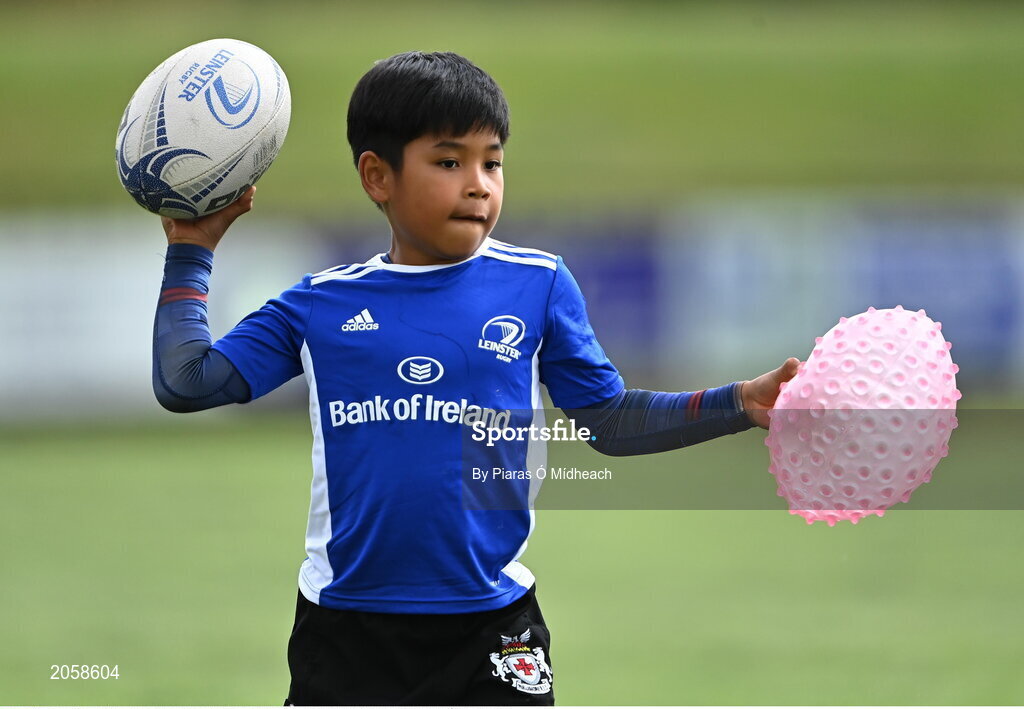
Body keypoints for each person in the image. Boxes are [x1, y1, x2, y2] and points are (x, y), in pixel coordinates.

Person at [152, 50, 799, 705]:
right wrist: (192, 249)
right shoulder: (321, 304)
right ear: (378, 176)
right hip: (348, 630)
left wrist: (737, 402)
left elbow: (607, 419)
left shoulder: (537, 284)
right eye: (448, 161)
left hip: (494, 629)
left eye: (492, 161)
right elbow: (187, 381)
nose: (478, 183)